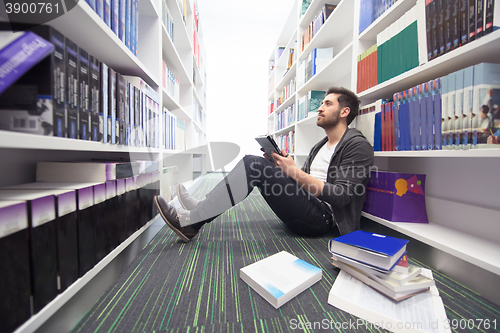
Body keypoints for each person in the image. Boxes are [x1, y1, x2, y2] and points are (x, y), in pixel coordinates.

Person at [154, 86, 375, 242]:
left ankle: (191, 223)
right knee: (255, 162)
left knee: (254, 164)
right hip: (309, 206)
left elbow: (342, 196)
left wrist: (294, 172)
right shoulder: (321, 145)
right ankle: (202, 207)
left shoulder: (357, 146)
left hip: (323, 220)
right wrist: (281, 167)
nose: (320, 107)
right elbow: (305, 183)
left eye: (327, 103)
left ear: (344, 112)